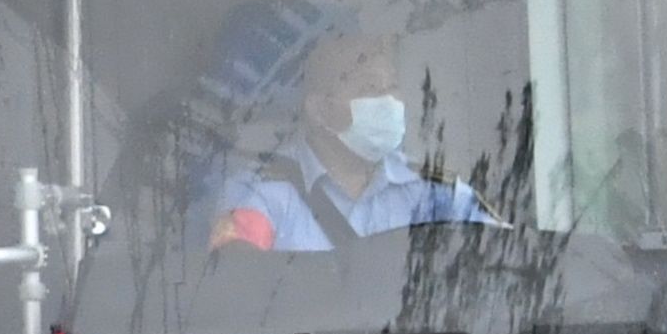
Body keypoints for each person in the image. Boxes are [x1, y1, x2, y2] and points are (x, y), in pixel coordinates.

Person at [198, 27, 486, 254]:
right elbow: (235, 280)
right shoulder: (259, 191)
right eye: (369, 89)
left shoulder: (438, 193)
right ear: (320, 110)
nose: (389, 102)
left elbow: (498, 263)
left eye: (392, 87)